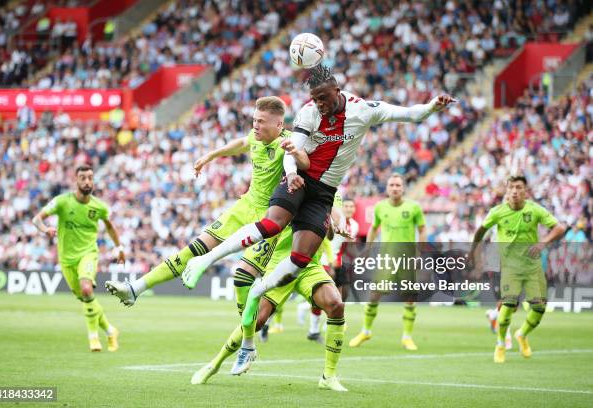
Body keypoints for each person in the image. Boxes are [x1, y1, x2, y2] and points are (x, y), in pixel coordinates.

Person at [183, 64, 455, 332]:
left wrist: (433, 106)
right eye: (315, 99)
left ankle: (259, 291)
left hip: (324, 192)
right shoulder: (308, 113)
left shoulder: (363, 109)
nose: (319, 104)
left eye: (323, 98)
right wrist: (290, 175)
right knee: (272, 224)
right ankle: (205, 260)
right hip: (301, 178)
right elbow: (293, 151)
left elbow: (410, 114)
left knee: (300, 258)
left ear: (338, 91)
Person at [105, 97, 308, 316]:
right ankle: (135, 289)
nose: (255, 125)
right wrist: (211, 155)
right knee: (193, 249)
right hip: (245, 207)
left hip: (270, 218)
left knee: (242, 278)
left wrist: (296, 157)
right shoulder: (255, 137)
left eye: (261, 121)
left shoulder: (288, 142)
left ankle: (248, 337)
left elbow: (304, 160)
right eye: (254, 120)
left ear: (279, 125)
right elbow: (242, 143)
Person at [191, 194, 350, 392]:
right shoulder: (293, 187)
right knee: (257, 320)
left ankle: (329, 376)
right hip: (281, 264)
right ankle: (214, 364)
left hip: (309, 266)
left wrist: (336, 225)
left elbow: (330, 233)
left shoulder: (332, 193)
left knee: (336, 305)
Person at [470, 175, 566, 363]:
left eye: (519, 187)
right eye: (511, 187)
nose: (514, 191)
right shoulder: (497, 212)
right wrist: (473, 251)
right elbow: (480, 231)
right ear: (506, 191)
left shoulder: (535, 210)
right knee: (507, 306)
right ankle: (500, 344)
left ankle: (521, 334)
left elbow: (559, 228)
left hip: (532, 267)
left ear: (525, 190)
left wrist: (542, 243)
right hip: (508, 268)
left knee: (539, 308)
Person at [32, 165, 125, 352]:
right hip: (66, 259)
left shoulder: (99, 206)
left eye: (90, 177)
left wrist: (119, 247)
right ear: (76, 180)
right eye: (83, 178)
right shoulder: (62, 202)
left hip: (88, 253)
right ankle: (110, 330)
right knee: (86, 297)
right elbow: (37, 219)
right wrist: (45, 229)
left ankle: (93, 338)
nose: (87, 181)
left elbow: (110, 227)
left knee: (86, 288)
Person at [348, 174, 425, 351]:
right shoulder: (380, 207)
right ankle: (365, 331)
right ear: (387, 188)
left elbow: (422, 229)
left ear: (403, 188)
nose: (395, 188)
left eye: (398, 185)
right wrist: (367, 250)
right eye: (391, 185)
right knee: (374, 294)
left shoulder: (414, 207)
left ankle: (407, 337)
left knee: (410, 298)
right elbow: (374, 229)